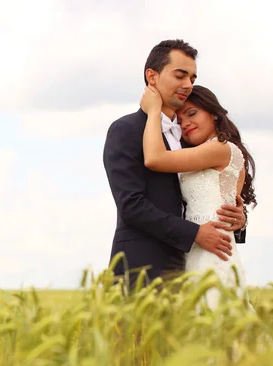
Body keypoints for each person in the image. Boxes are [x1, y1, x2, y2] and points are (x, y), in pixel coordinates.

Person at [102, 39, 247, 290]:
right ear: (152, 76)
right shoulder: (125, 130)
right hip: (144, 268)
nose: (188, 85)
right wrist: (195, 234)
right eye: (180, 75)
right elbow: (131, 205)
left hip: (195, 269)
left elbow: (209, 196)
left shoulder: (192, 142)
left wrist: (239, 220)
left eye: (192, 77)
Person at [140, 83, 256, 308]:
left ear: (213, 113)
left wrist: (153, 111)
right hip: (197, 248)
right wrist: (239, 220)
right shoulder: (204, 153)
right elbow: (227, 204)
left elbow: (154, 158)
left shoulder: (219, 148)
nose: (186, 124)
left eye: (192, 113)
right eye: (180, 121)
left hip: (212, 254)